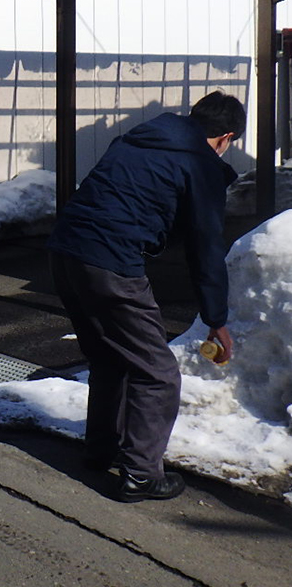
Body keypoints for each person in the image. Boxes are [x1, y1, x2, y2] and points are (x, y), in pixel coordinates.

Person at [47, 91, 245, 503]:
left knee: (109, 357)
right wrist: (216, 318)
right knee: (157, 373)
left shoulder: (142, 137)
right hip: (110, 263)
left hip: (65, 251)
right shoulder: (198, 162)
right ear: (226, 137)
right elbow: (205, 246)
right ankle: (140, 475)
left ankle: (100, 451)